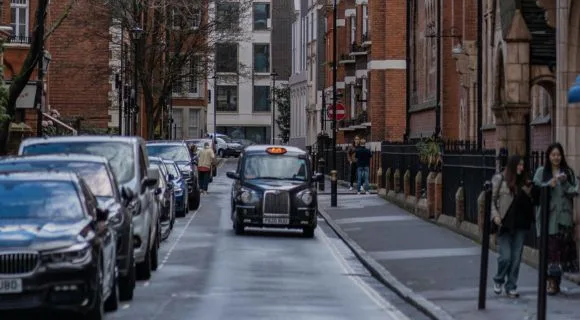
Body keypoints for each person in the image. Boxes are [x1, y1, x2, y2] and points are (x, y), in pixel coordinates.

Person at [533, 142, 578, 295]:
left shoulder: (568, 172)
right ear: (548, 156)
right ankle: (550, 282)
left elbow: (574, 190)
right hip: (547, 218)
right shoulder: (541, 171)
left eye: (558, 155)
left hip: (563, 219)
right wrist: (549, 184)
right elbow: (535, 190)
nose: (556, 157)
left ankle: (555, 282)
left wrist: (567, 184)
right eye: (553, 155)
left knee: (560, 253)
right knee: (549, 251)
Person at [491, 155, 535, 298]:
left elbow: (532, 200)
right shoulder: (500, 179)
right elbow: (491, 200)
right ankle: (498, 279)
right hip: (504, 224)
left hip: (520, 224)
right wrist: (495, 215)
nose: (521, 168)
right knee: (506, 257)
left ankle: (511, 286)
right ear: (512, 165)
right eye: (519, 165)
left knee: (516, 258)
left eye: (523, 165)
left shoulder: (525, 182)